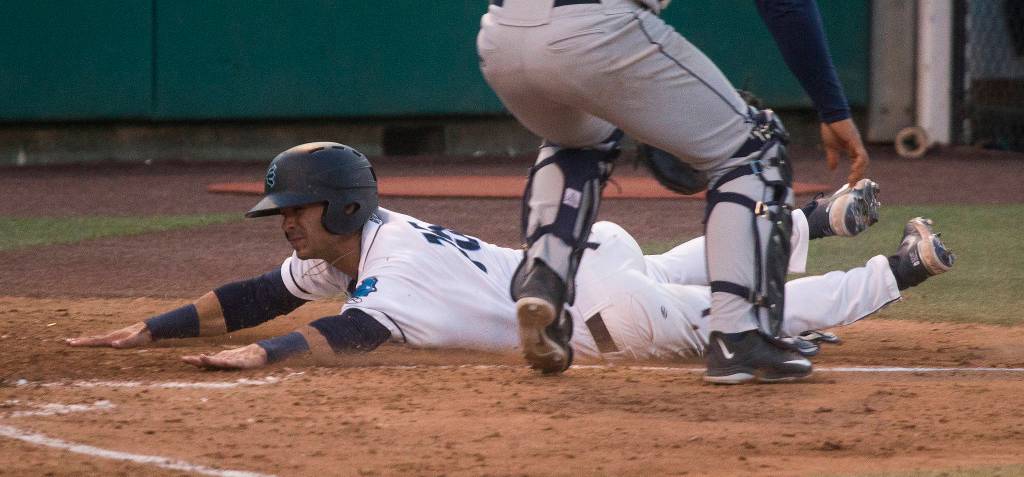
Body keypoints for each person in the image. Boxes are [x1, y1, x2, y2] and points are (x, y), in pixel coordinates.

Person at [67, 143, 954, 375]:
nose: (283, 225)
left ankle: (900, 269)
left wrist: (263, 356)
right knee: (688, 263)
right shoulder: (361, 243)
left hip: (600, 318)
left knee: (740, 311)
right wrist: (148, 328)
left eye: (292, 209)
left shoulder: (391, 269)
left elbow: (352, 333)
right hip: (588, 262)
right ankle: (818, 219)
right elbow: (260, 293)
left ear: (336, 207)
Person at [475, 0, 872, 382]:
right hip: (594, 28)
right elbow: (785, 5)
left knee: (579, 139)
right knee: (755, 147)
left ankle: (544, 277)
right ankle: (740, 336)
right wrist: (832, 108)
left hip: (500, 37)